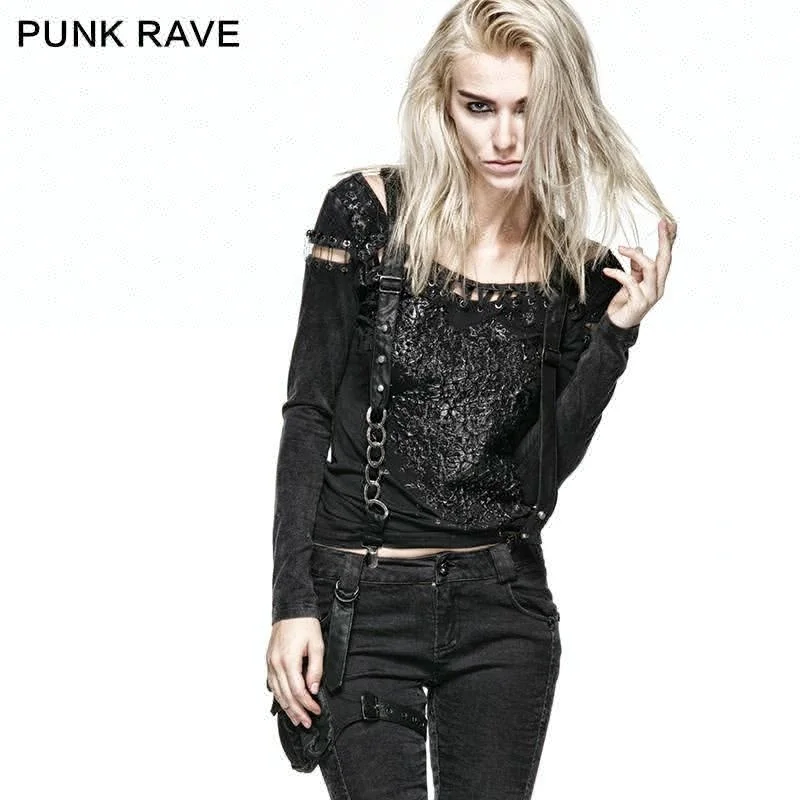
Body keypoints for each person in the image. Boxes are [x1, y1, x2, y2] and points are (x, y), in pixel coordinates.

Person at [266, 0, 677, 797]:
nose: (506, 137)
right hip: (360, 602)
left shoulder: (578, 276)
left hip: (502, 608)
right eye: (480, 107)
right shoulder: (367, 215)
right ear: (443, 104)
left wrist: (616, 334)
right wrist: (292, 602)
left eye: (528, 108)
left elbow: (534, 481)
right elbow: (307, 412)